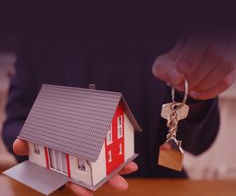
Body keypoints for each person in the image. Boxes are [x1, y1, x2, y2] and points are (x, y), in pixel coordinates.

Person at [2, 28, 236, 196]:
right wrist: (52, 155)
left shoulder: (175, 26)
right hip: (64, 191)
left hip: (162, 187)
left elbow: (200, 142)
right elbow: (15, 124)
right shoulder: (37, 29)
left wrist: (195, 93)